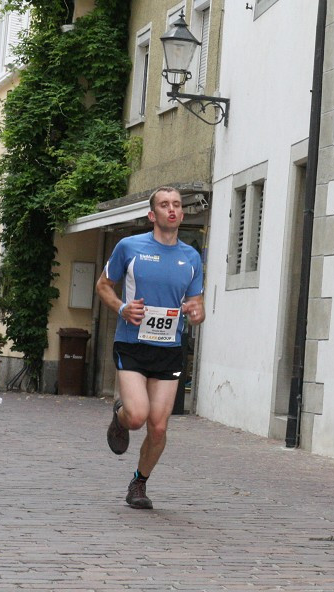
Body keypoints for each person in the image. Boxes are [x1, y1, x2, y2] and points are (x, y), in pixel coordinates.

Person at [95, 186, 205, 510]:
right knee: (138, 416)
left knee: (158, 426)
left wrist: (197, 313)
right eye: (164, 205)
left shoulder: (192, 257)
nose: (171, 209)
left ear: (182, 214)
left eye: (176, 205)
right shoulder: (129, 247)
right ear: (151, 214)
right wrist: (121, 308)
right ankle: (120, 415)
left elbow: (195, 305)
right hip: (131, 344)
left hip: (169, 348)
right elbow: (103, 285)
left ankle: (138, 483)